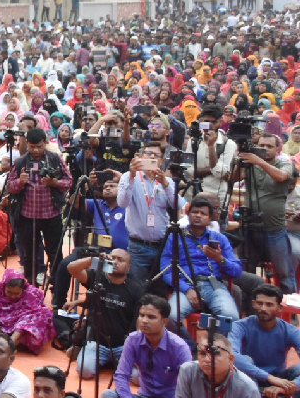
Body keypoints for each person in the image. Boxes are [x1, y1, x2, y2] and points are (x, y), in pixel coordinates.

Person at [101, 294, 192, 398]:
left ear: (164, 321)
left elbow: (187, 390)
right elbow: (121, 376)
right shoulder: (133, 340)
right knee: (107, 396)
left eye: (151, 317)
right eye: (142, 315)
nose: (144, 321)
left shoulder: (180, 347)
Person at [162, 195, 242, 347]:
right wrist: (186, 289)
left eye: (203, 213)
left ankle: (214, 348)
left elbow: (237, 271)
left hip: (214, 285)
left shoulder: (220, 239)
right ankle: (192, 348)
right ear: (188, 214)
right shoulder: (175, 236)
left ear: (210, 218)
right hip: (186, 286)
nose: (198, 215)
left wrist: (220, 260)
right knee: (170, 317)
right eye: (195, 212)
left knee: (231, 317)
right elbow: (166, 270)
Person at [229, 283, 300, 398]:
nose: (263, 308)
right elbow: (233, 356)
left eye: (269, 304)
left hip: (278, 389)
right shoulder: (240, 326)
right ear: (253, 304)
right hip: (247, 386)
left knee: (297, 369)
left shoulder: (291, 331)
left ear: (279, 308)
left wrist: (288, 385)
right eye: (259, 303)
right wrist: (269, 378)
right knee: (244, 360)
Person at [7, 128, 73, 285]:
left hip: (52, 214)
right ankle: (30, 287)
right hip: (27, 216)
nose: (36, 150)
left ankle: (57, 286)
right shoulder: (20, 162)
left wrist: (55, 183)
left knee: (55, 253)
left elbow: (69, 181)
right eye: (32, 147)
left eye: (39, 147)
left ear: (45, 143)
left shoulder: (55, 158)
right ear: (27, 144)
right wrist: (20, 182)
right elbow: (10, 186)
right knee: (29, 254)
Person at [235, 133, 299, 293]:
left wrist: (259, 162)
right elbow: (232, 179)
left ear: (278, 149)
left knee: (284, 272)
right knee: (247, 270)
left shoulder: (284, 164)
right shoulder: (251, 165)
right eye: (261, 145)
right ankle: (248, 305)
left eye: (269, 146)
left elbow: (281, 176)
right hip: (249, 227)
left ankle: (290, 312)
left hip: (274, 230)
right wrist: (240, 162)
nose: (265, 149)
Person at [66, 249, 144, 379]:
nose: (115, 262)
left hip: (123, 346)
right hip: (97, 343)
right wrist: (94, 259)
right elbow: (71, 268)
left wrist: (137, 349)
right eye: (112, 258)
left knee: (138, 377)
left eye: (121, 260)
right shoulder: (97, 278)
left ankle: (110, 362)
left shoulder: (136, 290)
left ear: (129, 267)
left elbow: (138, 321)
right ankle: (105, 361)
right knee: (84, 371)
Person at [52, 176, 128, 308]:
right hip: (93, 250)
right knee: (64, 265)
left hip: (115, 254)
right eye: (105, 187)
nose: (108, 188)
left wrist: (123, 179)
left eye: (112, 186)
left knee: (104, 272)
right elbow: (74, 202)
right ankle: (59, 306)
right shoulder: (98, 204)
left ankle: (98, 305)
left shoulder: (128, 206)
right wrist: (85, 187)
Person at [118, 141, 177, 282]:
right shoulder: (128, 176)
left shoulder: (167, 181)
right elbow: (122, 203)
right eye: (148, 153)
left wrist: (166, 184)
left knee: (160, 289)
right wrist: (132, 177)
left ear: (161, 160)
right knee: (138, 289)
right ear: (141, 156)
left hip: (163, 247)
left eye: (156, 155)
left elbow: (178, 205)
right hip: (138, 247)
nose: (152, 157)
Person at [0, 269, 57, 354]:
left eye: (17, 293)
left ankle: (11, 342)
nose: (12, 296)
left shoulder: (32, 293)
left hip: (21, 327)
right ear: (4, 286)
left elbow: (36, 311)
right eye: (9, 292)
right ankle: (6, 343)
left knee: (44, 314)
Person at [183, 105, 236, 205]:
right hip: (194, 195)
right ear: (201, 121)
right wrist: (211, 170)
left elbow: (220, 173)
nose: (210, 126)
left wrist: (211, 146)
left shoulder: (228, 144)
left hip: (216, 196)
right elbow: (188, 171)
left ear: (220, 122)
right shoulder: (193, 141)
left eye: (214, 122)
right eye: (207, 122)